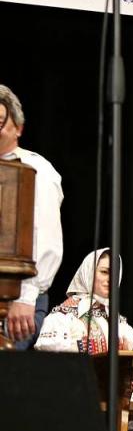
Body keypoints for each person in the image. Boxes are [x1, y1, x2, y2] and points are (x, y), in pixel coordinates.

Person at [0, 84, 64, 349]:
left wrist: (25, 297)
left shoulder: (36, 169)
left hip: (15, 298)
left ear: (18, 128)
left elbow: (45, 238)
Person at [34, 248, 133, 352]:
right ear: (89, 273)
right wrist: (85, 347)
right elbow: (47, 350)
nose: (111, 279)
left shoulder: (117, 320)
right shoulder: (64, 314)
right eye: (104, 272)